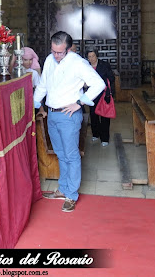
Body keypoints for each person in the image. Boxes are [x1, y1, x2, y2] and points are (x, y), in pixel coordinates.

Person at [33, 31, 105, 213]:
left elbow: (99, 84)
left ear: (69, 49)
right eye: (54, 51)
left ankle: (71, 195)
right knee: (60, 154)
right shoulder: (49, 60)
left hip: (69, 116)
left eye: (60, 52)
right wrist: (34, 103)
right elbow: (43, 85)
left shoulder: (78, 63)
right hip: (52, 114)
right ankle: (63, 189)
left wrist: (80, 102)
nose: (56, 56)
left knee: (71, 155)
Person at [86, 49, 115, 147]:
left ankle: (105, 138)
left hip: (103, 94)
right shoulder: (86, 66)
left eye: (93, 56)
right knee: (93, 114)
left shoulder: (104, 65)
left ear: (96, 56)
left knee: (104, 116)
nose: (91, 59)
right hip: (92, 95)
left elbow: (111, 78)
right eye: (89, 57)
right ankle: (96, 134)